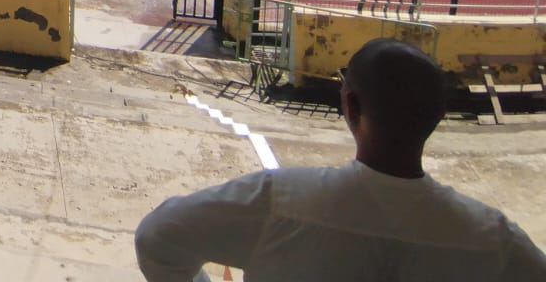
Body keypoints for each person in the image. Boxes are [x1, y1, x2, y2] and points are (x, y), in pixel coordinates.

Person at [135, 38, 546, 280]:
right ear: (439, 117)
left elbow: (156, 238)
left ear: (349, 105)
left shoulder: (277, 201)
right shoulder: (494, 240)